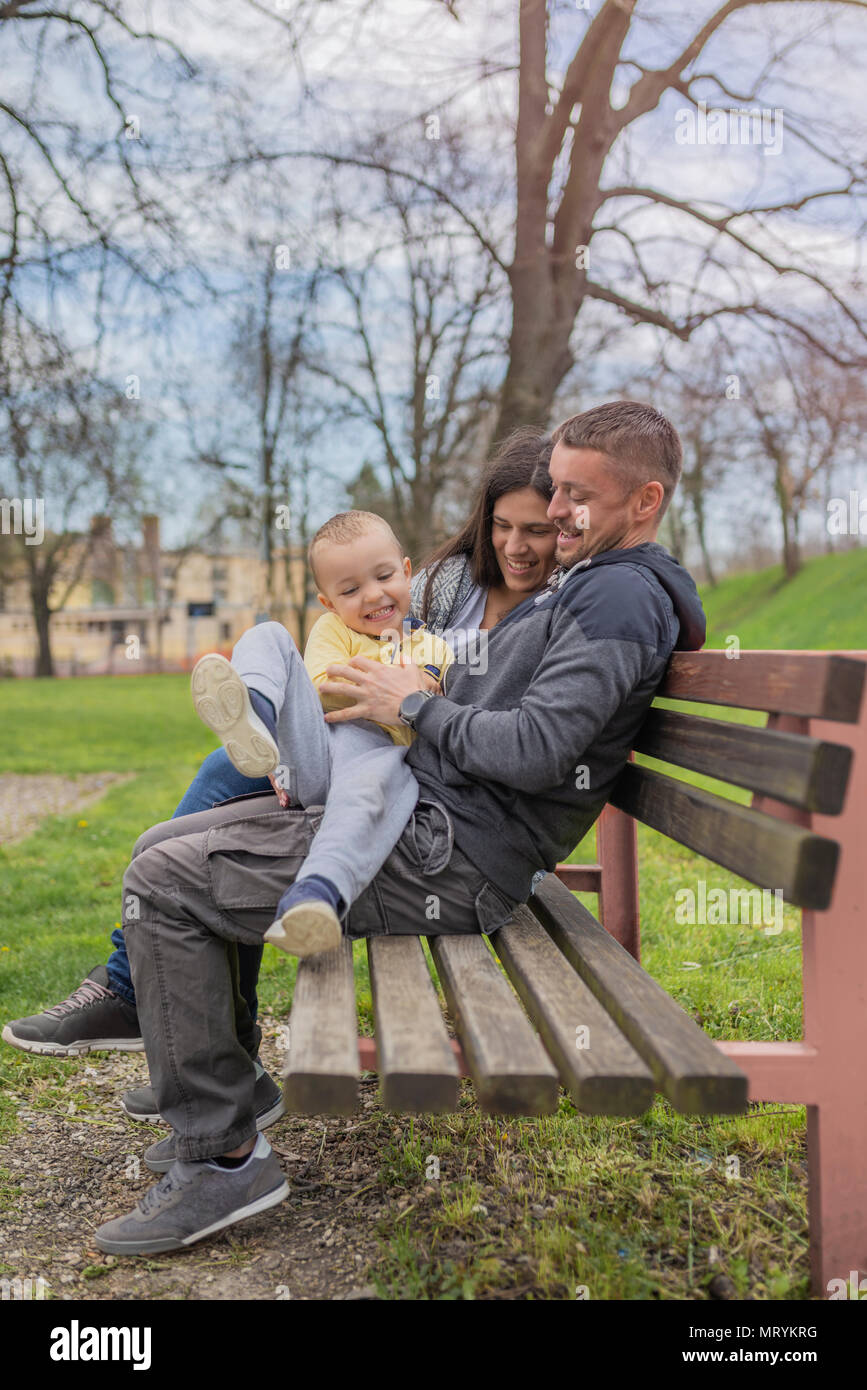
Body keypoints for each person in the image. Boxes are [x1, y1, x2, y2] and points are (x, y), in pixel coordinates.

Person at [89, 401, 706, 1255]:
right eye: (554, 489)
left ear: (644, 500)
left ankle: (224, 1159)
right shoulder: (592, 584)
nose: (557, 511)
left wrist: (411, 701)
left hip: (449, 854)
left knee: (165, 881)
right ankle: (232, 1100)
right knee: (160, 846)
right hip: (435, 817)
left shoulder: (618, 603)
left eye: (577, 497)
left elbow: (537, 749)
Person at [1, 430, 560, 1114]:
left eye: (535, 529)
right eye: (501, 525)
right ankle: (252, 718)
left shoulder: (532, 615)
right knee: (205, 785)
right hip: (329, 741)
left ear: (565, 524)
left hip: (405, 776)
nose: (515, 545)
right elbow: (330, 679)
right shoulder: (443, 585)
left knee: (238, 838)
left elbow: (480, 712)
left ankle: (162, 995)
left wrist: (416, 692)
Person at [188, 508, 456, 958]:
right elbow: (320, 691)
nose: (372, 595)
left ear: (407, 572)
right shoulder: (333, 630)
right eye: (350, 590)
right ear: (329, 602)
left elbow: (443, 712)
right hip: (313, 750)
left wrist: (425, 697)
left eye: (384, 576)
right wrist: (398, 692)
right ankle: (255, 710)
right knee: (269, 633)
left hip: (376, 759)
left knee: (367, 794)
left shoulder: (435, 648)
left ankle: (314, 898)